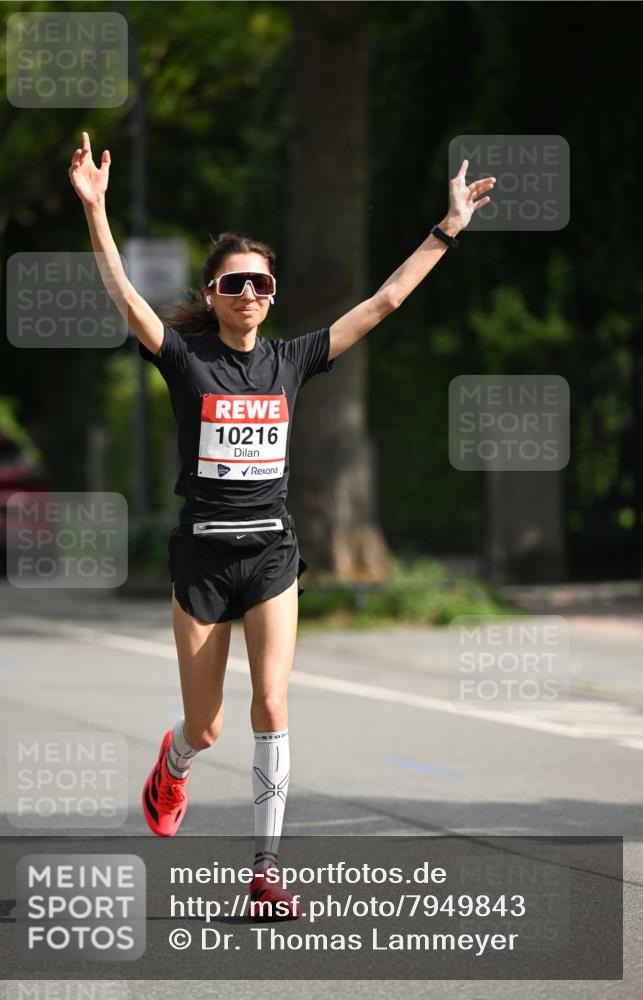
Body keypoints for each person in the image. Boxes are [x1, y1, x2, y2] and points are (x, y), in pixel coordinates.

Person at [69, 130, 495, 920]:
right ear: (214, 291)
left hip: (270, 552)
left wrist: (446, 229)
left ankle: (265, 873)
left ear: (272, 293)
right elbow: (127, 300)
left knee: (271, 703)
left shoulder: (291, 360)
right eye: (236, 282)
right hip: (200, 558)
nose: (251, 293)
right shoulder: (185, 358)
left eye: (262, 283)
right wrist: (94, 208)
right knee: (209, 723)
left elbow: (385, 302)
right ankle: (175, 762)